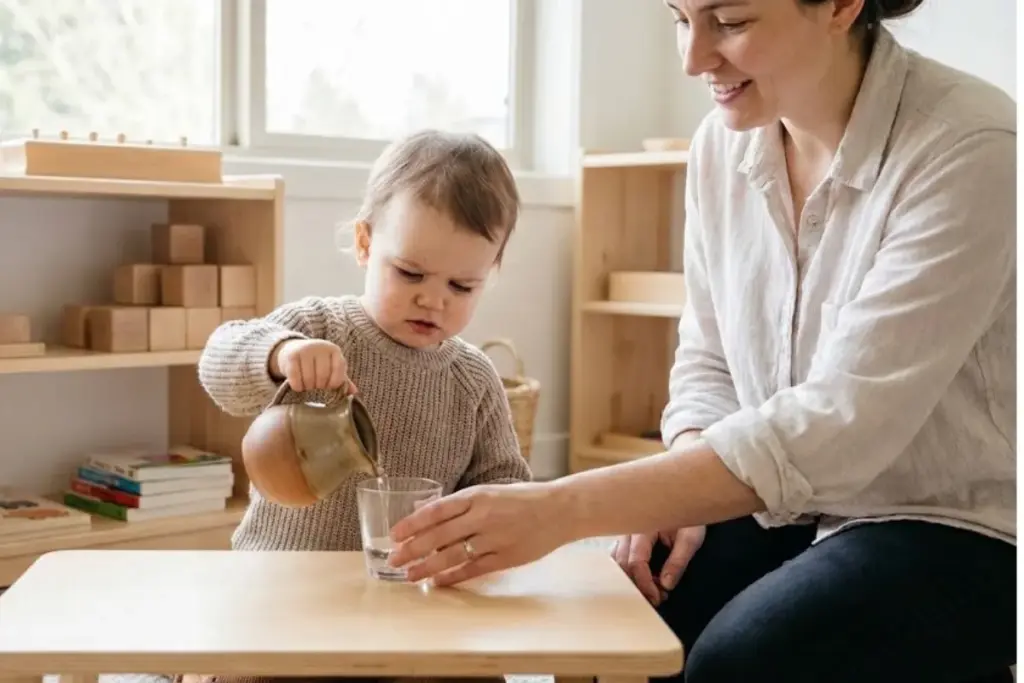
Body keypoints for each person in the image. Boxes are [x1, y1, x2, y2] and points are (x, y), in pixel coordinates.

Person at [385, 1, 1017, 682]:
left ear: (839, 5)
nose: (693, 58)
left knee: (735, 663)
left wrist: (561, 505)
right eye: (680, 18)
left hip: (955, 527)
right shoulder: (724, 145)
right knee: (616, 615)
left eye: (732, 21)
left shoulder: (969, 142)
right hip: (785, 503)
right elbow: (708, 358)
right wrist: (678, 484)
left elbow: (844, 424)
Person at [178, 129, 532, 683]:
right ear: (365, 245)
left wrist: (476, 530)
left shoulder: (473, 380)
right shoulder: (316, 328)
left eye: (462, 286)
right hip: (283, 592)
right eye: (410, 273)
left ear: (489, 277)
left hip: (409, 604)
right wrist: (280, 355)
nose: (432, 299)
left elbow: (505, 487)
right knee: (240, 671)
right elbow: (217, 363)